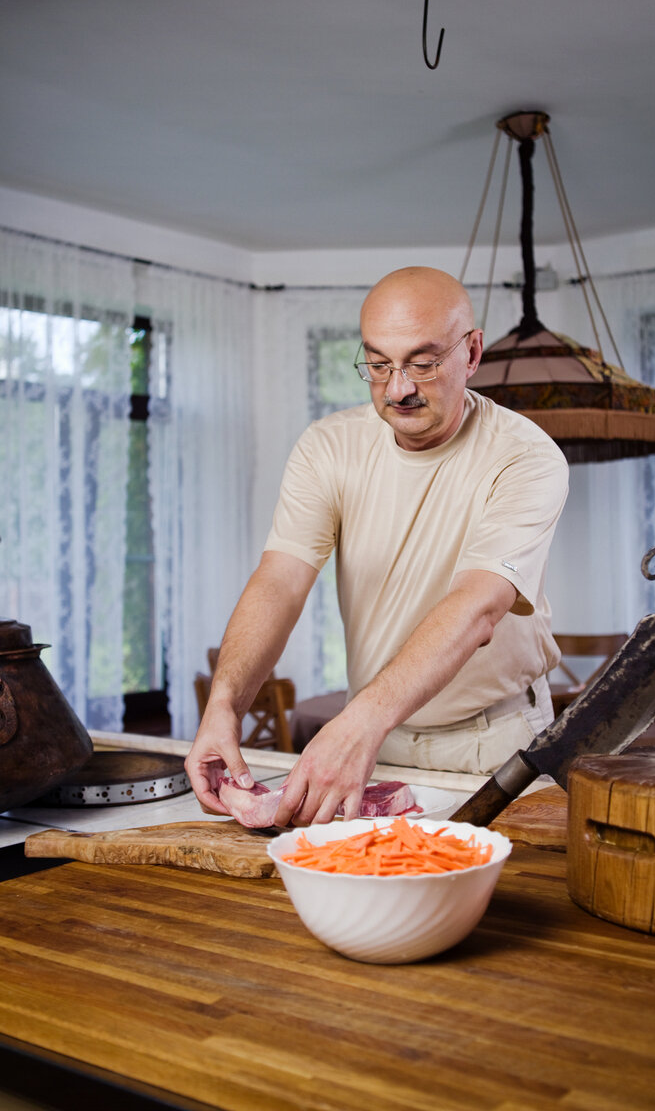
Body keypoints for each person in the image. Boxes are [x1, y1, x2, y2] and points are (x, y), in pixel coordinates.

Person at [185, 266, 569, 825]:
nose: (398, 388)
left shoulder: (525, 458)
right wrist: (225, 705)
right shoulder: (328, 447)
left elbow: (480, 605)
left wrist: (362, 719)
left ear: (473, 353)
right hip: (376, 736)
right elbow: (281, 581)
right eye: (380, 363)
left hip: (495, 740)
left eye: (424, 362)